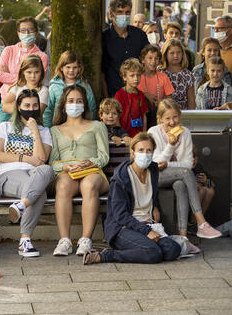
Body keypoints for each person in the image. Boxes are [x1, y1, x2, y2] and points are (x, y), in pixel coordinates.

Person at [82, 133, 182, 265]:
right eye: (141, 150)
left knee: (173, 249)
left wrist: (155, 205)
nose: (145, 154)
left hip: (148, 223)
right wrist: (147, 232)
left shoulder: (153, 169)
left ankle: (139, 250)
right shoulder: (121, 178)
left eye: (149, 150)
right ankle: (106, 255)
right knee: (153, 253)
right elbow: (120, 215)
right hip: (123, 228)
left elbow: (152, 193)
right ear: (133, 152)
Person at [147, 99, 222, 239]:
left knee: (180, 184)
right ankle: (201, 222)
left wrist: (169, 165)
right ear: (160, 119)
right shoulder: (153, 132)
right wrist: (170, 145)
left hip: (177, 175)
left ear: (180, 116)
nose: (172, 122)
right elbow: (156, 163)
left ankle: (183, 237)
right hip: (155, 177)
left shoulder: (186, 132)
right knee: (185, 173)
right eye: (167, 118)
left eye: (175, 117)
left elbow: (188, 163)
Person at [50, 85, 110, 256]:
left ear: (84, 104)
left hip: (93, 172)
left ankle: (85, 240)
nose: (74, 104)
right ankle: (65, 241)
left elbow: (104, 156)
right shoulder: (55, 130)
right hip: (67, 172)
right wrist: (65, 167)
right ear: (63, 105)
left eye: (78, 101)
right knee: (62, 185)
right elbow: (52, 162)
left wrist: (90, 163)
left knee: (89, 185)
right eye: (70, 101)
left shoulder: (97, 126)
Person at [0, 90, 54, 257]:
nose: (31, 109)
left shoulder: (44, 131)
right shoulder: (4, 127)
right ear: (18, 107)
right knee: (38, 193)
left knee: (47, 170)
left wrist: (35, 132)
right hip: (7, 175)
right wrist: (25, 158)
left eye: (35, 105)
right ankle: (25, 240)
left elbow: (42, 159)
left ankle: (21, 206)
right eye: (27, 105)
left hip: (34, 176)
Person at [101, 0, 149, 97]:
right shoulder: (104, 38)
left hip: (138, 95)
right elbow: (102, 73)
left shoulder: (139, 35)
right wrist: (107, 99)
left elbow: (148, 63)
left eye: (127, 12)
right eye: (119, 12)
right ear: (111, 13)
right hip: (114, 95)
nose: (124, 15)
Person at [0, 16, 49, 108]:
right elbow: (0, 75)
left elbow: (38, 82)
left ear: (36, 33)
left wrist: (9, 75)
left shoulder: (42, 57)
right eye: (23, 30)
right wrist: (26, 78)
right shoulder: (8, 50)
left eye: (30, 30)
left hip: (29, 105)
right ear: (18, 33)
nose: (27, 33)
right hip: (7, 102)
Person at [44, 51, 96, 128]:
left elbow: (92, 107)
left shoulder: (85, 86)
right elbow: (48, 110)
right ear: (61, 67)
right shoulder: (54, 86)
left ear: (79, 68)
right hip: (59, 126)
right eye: (68, 67)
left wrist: (89, 127)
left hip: (80, 127)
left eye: (75, 67)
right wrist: (47, 129)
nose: (71, 70)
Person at [1, 55, 48, 123]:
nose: (33, 76)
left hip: (35, 125)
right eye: (29, 72)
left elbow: (38, 113)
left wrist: (19, 107)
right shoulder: (17, 87)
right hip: (17, 125)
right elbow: (4, 106)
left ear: (41, 72)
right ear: (23, 72)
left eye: (36, 72)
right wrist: (23, 109)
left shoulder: (43, 90)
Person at [138, 45, 174, 128]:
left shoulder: (163, 77)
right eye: (150, 58)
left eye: (156, 58)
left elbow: (170, 99)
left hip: (159, 112)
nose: (153, 61)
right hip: (142, 114)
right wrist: (145, 94)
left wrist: (161, 101)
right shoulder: (138, 77)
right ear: (143, 60)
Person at [114, 58, 149, 137]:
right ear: (124, 77)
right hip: (125, 135)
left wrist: (144, 133)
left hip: (138, 135)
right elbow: (116, 116)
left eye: (138, 75)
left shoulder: (141, 94)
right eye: (132, 76)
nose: (136, 79)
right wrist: (121, 134)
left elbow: (144, 115)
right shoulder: (119, 94)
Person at [161, 38, 195, 110]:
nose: (176, 56)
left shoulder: (188, 75)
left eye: (178, 52)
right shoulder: (160, 72)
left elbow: (191, 101)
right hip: (164, 113)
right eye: (172, 53)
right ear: (165, 54)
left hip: (183, 115)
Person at [192, 148, 215, 216]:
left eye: (194, 157)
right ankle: (193, 221)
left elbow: (213, 184)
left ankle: (198, 220)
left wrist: (206, 182)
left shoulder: (198, 167)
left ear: (197, 158)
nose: (193, 160)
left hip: (198, 197)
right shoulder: (182, 167)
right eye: (189, 157)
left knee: (210, 191)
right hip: (185, 196)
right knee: (200, 190)